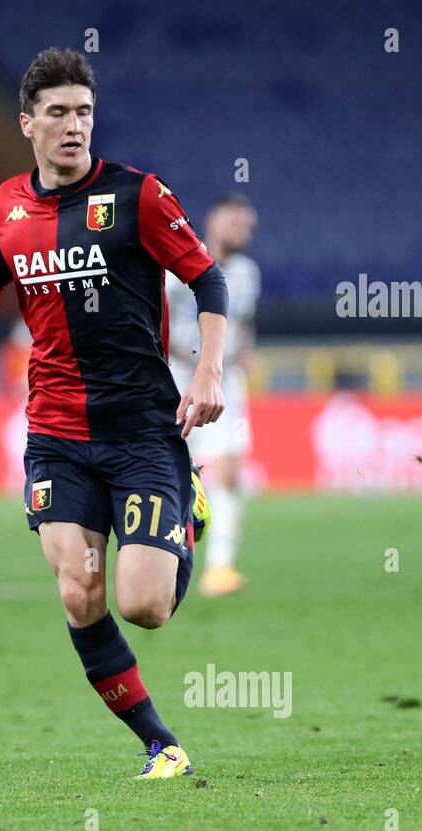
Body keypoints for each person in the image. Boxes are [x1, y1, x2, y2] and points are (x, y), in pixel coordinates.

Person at [0, 49, 226, 780]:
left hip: (140, 429)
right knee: (78, 590)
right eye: (60, 113)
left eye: (85, 112)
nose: (75, 126)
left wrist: (210, 367)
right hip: (57, 434)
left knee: (145, 607)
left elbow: (206, 277)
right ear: (28, 123)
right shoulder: (3, 209)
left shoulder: (137, 196)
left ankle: (188, 506)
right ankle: (161, 744)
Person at [167, 194, 260, 596]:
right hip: (176, 378)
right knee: (166, 470)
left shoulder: (247, 273)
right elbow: (156, 321)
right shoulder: (176, 269)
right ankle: (163, 556)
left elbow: (242, 322)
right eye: (235, 223)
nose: (242, 231)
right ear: (213, 220)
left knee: (229, 470)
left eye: (247, 226)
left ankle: (220, 567)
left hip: (225, 381)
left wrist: (241, 354)